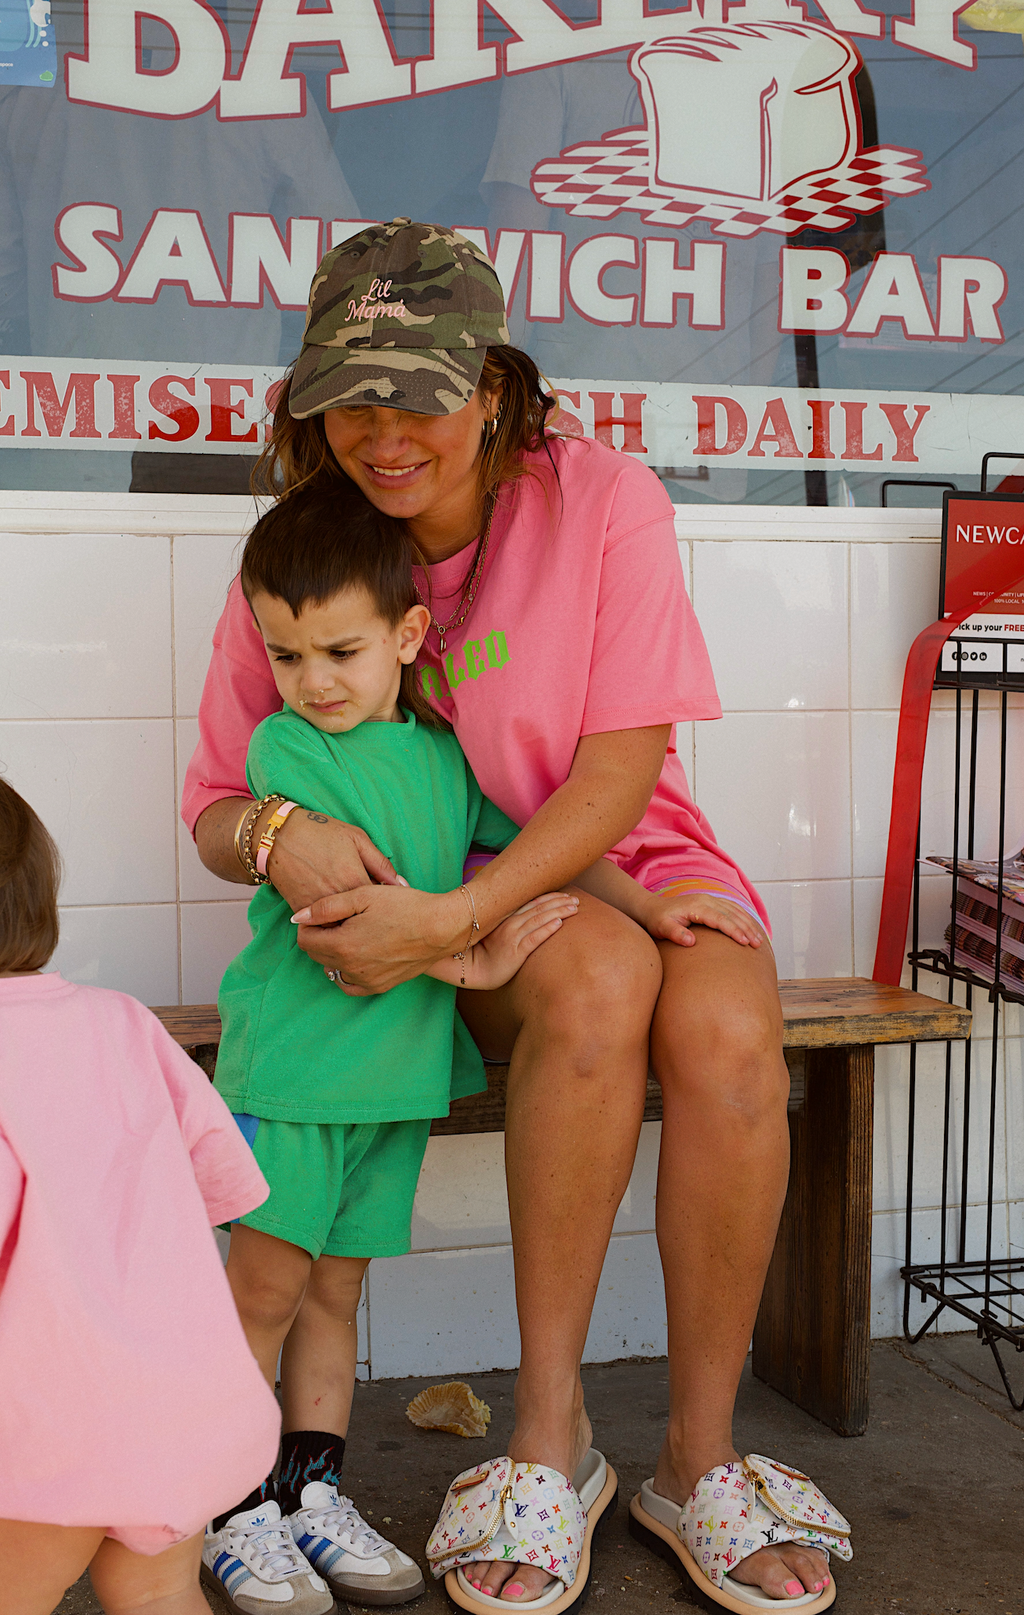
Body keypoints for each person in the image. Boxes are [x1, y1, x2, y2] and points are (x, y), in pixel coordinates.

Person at [182, 218, 852, 1613]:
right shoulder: (312, 545)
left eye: (418, 396)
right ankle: (551, 1438)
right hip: (470, 901)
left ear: (489, 387)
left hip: (617, 851)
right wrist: (283, 836)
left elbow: (618, 771)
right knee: (600, 984)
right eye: (351, 400)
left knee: (731, 1031)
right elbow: (216, 806)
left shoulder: (600, 498)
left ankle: (701, 1456)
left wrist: (454, 918)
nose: (384, 435)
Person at [204, 486, 580, 1615]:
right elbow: (356, 922)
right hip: (297, 1073)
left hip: (391, 1084)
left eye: (340, 650)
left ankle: (309, 1494)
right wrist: (475, 960)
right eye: (285, 654)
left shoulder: (447, 759)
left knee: (335, 1293)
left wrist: (656, 902)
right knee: (264, 1291)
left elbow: (530, 847)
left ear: (409, 635)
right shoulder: (286, 750)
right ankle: (224, 1504)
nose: (311, 680)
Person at [0, 777, 282, 1615]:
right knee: (159, 1594)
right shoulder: (123, 1021)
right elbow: (226, 1180)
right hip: (182, 1408)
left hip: (48, 1431)